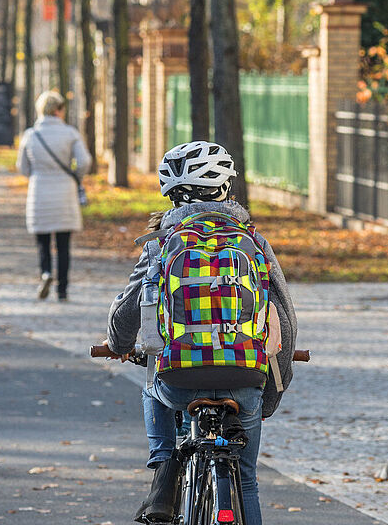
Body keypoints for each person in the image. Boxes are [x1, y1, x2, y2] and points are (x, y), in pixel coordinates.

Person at [105, 141, 297, 525]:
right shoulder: (253, 241)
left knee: (151, 378)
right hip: (245, 378)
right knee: (245, 480)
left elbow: (130, 310)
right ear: (227, 188)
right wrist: (270, 393)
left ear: (172, 194)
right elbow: (286, 321)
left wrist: (119, 345)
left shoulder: (162, 242)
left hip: (179, 381)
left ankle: (163, 470)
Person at [16, 90, 92, 301]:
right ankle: (63, 289)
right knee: (63, 244)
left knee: (42, 241)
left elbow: (22, 166)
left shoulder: (30, 135)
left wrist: (36, 174)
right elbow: (84, 161)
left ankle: (46, 273)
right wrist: (75, 176)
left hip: (39, 191)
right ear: (59, 110)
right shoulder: (70, 133)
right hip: (65, 192)